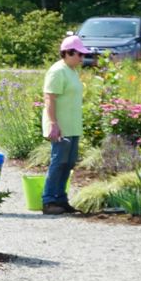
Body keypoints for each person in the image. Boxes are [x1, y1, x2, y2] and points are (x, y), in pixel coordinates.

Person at [39, 34, 88, 214]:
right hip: (60, 125)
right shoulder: (57, 71)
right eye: (79, 54)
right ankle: (49, 200)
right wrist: (53, 123)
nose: (82, 58)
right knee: (58, 162)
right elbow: (49, 98)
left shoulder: (72, 70)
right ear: (67, 53)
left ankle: (61, 198)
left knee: (68, 163)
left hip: (72, 125)